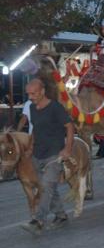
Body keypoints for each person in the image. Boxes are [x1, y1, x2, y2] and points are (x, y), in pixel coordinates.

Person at [21, 79, 74, 235]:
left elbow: (70, 126)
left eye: (33, 93)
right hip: (37, 155)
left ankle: (38, 221)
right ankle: (61, 216)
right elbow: (36, 130)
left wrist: (68, 148)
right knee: (49, 189)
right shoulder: (32, 108)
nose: (30, 97)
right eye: (28, 94)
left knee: (45, 188)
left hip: (54, 155)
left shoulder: (55, 107)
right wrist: (30, 148)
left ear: (42, 91)